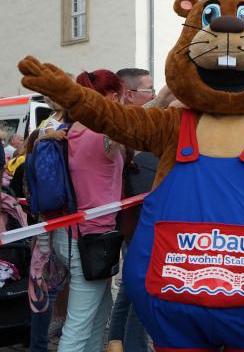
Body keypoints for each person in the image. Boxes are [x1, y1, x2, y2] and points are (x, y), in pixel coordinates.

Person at [52, 70, 125, 352]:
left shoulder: (70, 129)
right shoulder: (104, 133)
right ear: (114, 97)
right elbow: (137, 124)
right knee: (79, 326)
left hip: (69, 233)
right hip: (90, 239)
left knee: (98, 315)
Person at [105, 67, 155, 352]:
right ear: (129, 93)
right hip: (137, 224)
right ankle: (135, 346)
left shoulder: (140, 122)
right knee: (140, 287)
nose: (153, 95)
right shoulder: (124, 127)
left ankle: (116, 342)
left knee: (129, 288)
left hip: (136, 222)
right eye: (148, 89)